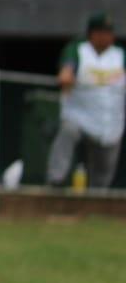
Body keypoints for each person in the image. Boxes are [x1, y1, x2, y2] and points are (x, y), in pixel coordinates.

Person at [47, 14, 124, 189]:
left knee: (102, 175)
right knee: (68, 132)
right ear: (92, 33)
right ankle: (55, 181)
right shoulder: (78, 49)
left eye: (110, 32)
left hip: (110, 121)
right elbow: (67, 70)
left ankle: (97, 202)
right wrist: (66, 73)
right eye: (103, 32)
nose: (107, 36)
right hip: (79, 116)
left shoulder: (119, 54)